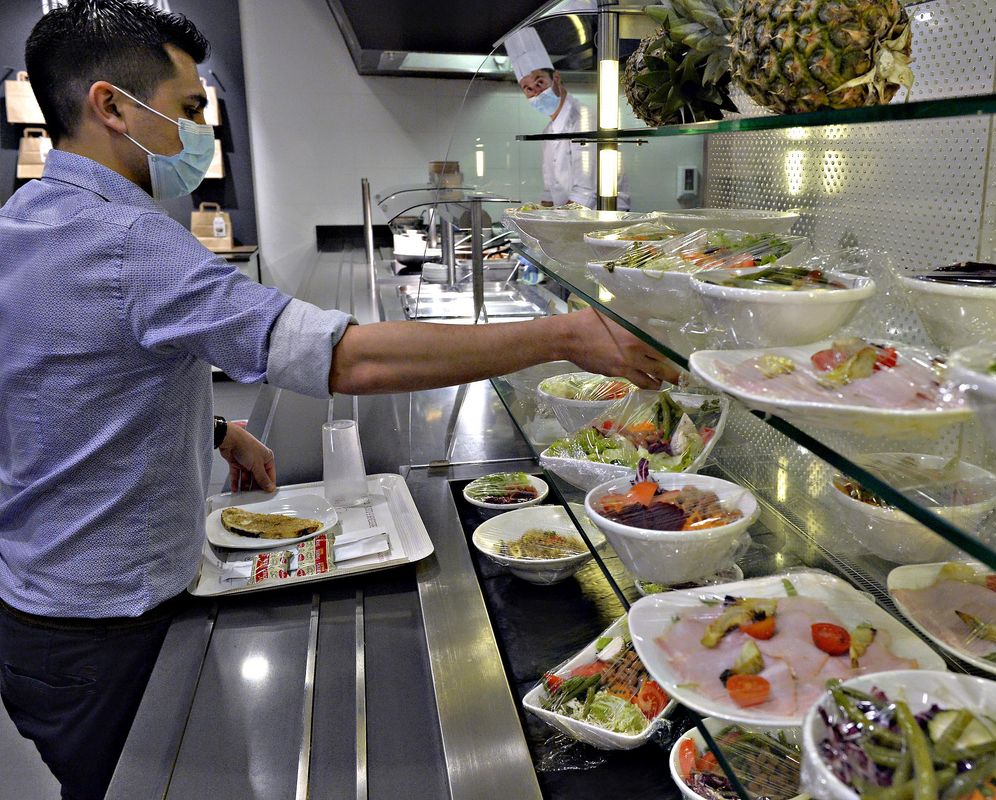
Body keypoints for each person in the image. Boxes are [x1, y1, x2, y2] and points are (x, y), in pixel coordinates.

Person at [0, 3, 677, 798]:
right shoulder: (128, 240)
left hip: (40, 609)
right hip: (102, 633)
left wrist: (214, 427)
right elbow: (342, 358)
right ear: (110, 106)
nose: (197, 134)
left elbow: (61, 382)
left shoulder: (30, 218)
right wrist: (565, 336)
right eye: (187, 110)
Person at [504, 27, 630, 210]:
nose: (536, 92)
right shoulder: (548, 131)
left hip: (603, 217)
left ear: (556, 78)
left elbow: (584, 194)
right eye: (528, 88)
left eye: (540, 82)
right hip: (573, 220)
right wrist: (536, 218)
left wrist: (554, 226)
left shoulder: (584, 120)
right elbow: (549, 191)